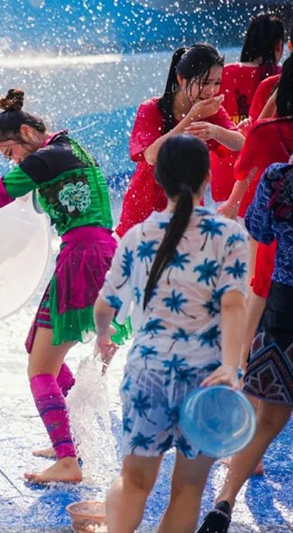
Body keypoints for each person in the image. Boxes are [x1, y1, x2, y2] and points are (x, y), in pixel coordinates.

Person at [0, 88, 127, 483]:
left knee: (39, 368)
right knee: (36, 346)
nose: (13, 160)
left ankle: (67, 460)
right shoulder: (67, 147)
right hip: (102, 254)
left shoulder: (43, 158)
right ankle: (70, 438)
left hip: (81, 258)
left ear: (26, 133)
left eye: (10, 152)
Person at [95, 135, 248, 533]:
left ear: (159, 180)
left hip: (148, 373)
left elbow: (105, 305)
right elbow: (234, 305)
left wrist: (103, 337)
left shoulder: (137, 236)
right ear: (207, 177)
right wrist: (231, 365)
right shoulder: (229, 235)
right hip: (208, 379)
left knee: (133, 481)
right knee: (189, 488)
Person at [197, 160, 293, 533]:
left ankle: (225, 501)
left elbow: (259, 230)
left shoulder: (278, 177)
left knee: (267, 419)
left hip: (284, 306)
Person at [116, 44, 244, 237]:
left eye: (217, 83)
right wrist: (192, 117)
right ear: (181, 79)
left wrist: (215, 131)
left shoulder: (212, 112)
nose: (211, 90)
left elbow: (240, 144)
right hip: (145, 205)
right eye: (205, 82)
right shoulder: (152, 109)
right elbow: (151, 156)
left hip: (188, 207)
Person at [211, 13, 284, 201]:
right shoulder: (283, 78)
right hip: (267, 179)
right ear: (279, 46)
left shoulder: (224, 74)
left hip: (224, 175)